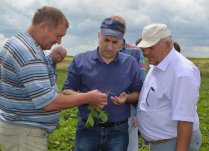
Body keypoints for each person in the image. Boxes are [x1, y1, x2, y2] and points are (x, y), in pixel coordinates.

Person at [0, 6, 107, 151]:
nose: (59, 42)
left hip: (20, 131)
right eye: (58, 35)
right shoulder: (28, 52)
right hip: (24, 135)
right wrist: (87, 97)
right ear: (43, 27)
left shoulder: (20, 42)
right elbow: (48, 102)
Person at [62, 17, 142, 151]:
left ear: (122, 42)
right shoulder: (81, 60)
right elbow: (67, 91)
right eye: (106, 40)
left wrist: (126, 99)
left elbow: (137, 93)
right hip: (88, 128)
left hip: (118, 131)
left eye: (115, 42)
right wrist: (87, 98)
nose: (110, 46)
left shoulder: (130, 63)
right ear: (99, 36)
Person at [137, 23, 202, 151]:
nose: (145, 52)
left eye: (151, 47)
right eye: (144, 48)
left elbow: (185, 121)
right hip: (162, 142)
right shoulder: (157, 64)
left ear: (167, 44)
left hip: (174, 143)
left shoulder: (183, 73)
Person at [110, 16, 146, 151]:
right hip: (107, 111)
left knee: (130, 146)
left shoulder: (135, 51)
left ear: (123, 31)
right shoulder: (101, 50)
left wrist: (137, 113)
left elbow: (141, 84)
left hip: (129, 110)